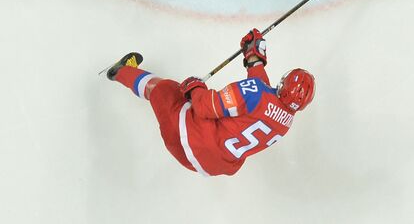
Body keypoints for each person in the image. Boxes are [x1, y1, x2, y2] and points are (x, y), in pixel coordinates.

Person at [105, 29, 315, 177]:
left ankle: (120, 71)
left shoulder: (257, 94)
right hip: (209, 165)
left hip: (187, 140)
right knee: (175, 97)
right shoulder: (286, 122)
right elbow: (261, 98)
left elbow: (205, 106)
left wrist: (195, 87)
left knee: (164, 89)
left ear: (283, 83)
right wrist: (255, 59)